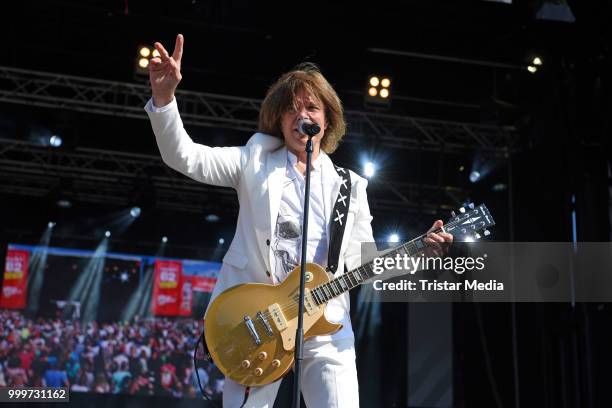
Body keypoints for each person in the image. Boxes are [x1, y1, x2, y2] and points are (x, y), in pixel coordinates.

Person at [145, 34, 453, 408]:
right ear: (279, 118)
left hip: (327, 328)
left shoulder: (350, 186)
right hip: (257, 323)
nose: (301, 115)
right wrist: (164, 100)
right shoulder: (254, 160)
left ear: (327, 119)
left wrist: (419, 250)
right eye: (291, 108)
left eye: (311, 107)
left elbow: (363, 262)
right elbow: (186, 157)